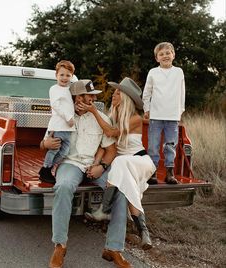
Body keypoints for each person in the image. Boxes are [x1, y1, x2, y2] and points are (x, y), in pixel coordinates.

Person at [42, 79, 132, 268]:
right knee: (64, 186)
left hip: (94, 165)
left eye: (93, 96)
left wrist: (103, 167)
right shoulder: (60, 118)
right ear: (76, 98)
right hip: (70, 164)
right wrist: (45, 144)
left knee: (121, 190)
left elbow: (111, 149)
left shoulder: (101, 118)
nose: (92, 99)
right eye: (87, 95)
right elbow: (44, 144)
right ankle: (60, 245)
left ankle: (113, 249)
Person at [82, 77, 156, 250]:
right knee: (128, 187)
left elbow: (110, 132)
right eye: (114, 92)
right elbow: (104, 144)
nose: (113, 95)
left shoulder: (135, 118)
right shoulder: (112, 116)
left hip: (140, 162)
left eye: (117, 92)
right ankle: (144, 233)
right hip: (123, 166)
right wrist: (96, 163)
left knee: (120, 162)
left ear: (126, 98)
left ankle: (104, 210)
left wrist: (93, 111)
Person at [142, 42, 185, 184]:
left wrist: (180, 111)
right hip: (155, 115)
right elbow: (147, 92)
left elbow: (182, 93)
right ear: (157, 58)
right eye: (161, 54)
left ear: (173, 55)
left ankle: (169, 173)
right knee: (153, 145)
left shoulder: (178, 72)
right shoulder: (153, 72)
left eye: (168, 53)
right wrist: (146, 109)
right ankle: (152, 172)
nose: (165, 56)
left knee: (170, 145)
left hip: (172, 116)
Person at [39, 60, 77, 184]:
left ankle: (49, 167)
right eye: (61, 75)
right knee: (54, 149)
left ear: (72, 77)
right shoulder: (54, 89)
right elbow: (55, 105)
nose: (64, 78)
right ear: (56, 75)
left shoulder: (70, 90)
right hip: (59, 126)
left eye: (68, 75)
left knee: (64, 152)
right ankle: (45, 170)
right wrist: (68, 118)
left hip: (68, 128)